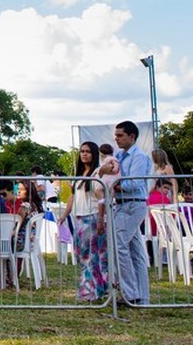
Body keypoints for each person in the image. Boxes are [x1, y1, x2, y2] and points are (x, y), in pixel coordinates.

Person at [61, 141, 107, 301]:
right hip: (79, 218)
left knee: (92, 256)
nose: (84, 154)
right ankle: (91, 288)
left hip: (92, 217)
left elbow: (102, 199)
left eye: (87, 151)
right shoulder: (80, 174)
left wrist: (101, 219)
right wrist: (64, 215)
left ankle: (94, 290)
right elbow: (72, 197)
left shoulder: (96, 174)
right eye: (82, 151)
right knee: (83, 255)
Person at [112, 121, 151, 306]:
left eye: (120, 135)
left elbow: (133, 183)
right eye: (116, 135)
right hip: (122, 203)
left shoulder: (139, 157)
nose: (116, 138)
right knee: (136, 252)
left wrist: (116, 185)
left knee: (120, 245)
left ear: (132, 137)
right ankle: (141, 296)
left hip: (133, 204)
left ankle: (131, 293)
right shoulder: (119, 156)